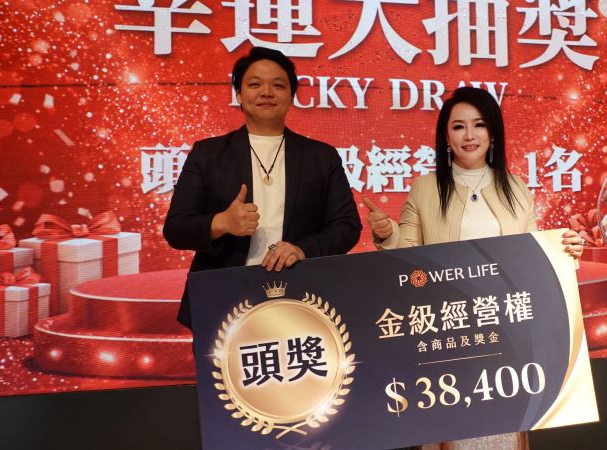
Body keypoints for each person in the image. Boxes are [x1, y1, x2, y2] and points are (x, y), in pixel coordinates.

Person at [364, 87, 583, 450]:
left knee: (504, 431)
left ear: (492, 133)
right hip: (448, 329)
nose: (469, 135)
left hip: (506, 329)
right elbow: (408, 260)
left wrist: (566, 252)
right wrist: (387, 235)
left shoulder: (516, 187)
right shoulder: (426, 188)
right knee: (453, 431)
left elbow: (532, 259)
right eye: (458, 126)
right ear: (445, 136)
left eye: (479, 125)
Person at [164, 47, 362, 329]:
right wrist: (222, 222)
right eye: (255, 84)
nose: (266, 92)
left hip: (302, 297)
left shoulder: (321, 157)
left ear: (291, 96)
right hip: (223, 299)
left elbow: (347, 226)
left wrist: (302, 249)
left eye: (278, 85)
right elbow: (176, 228)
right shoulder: (208, 154)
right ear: (239, 95)